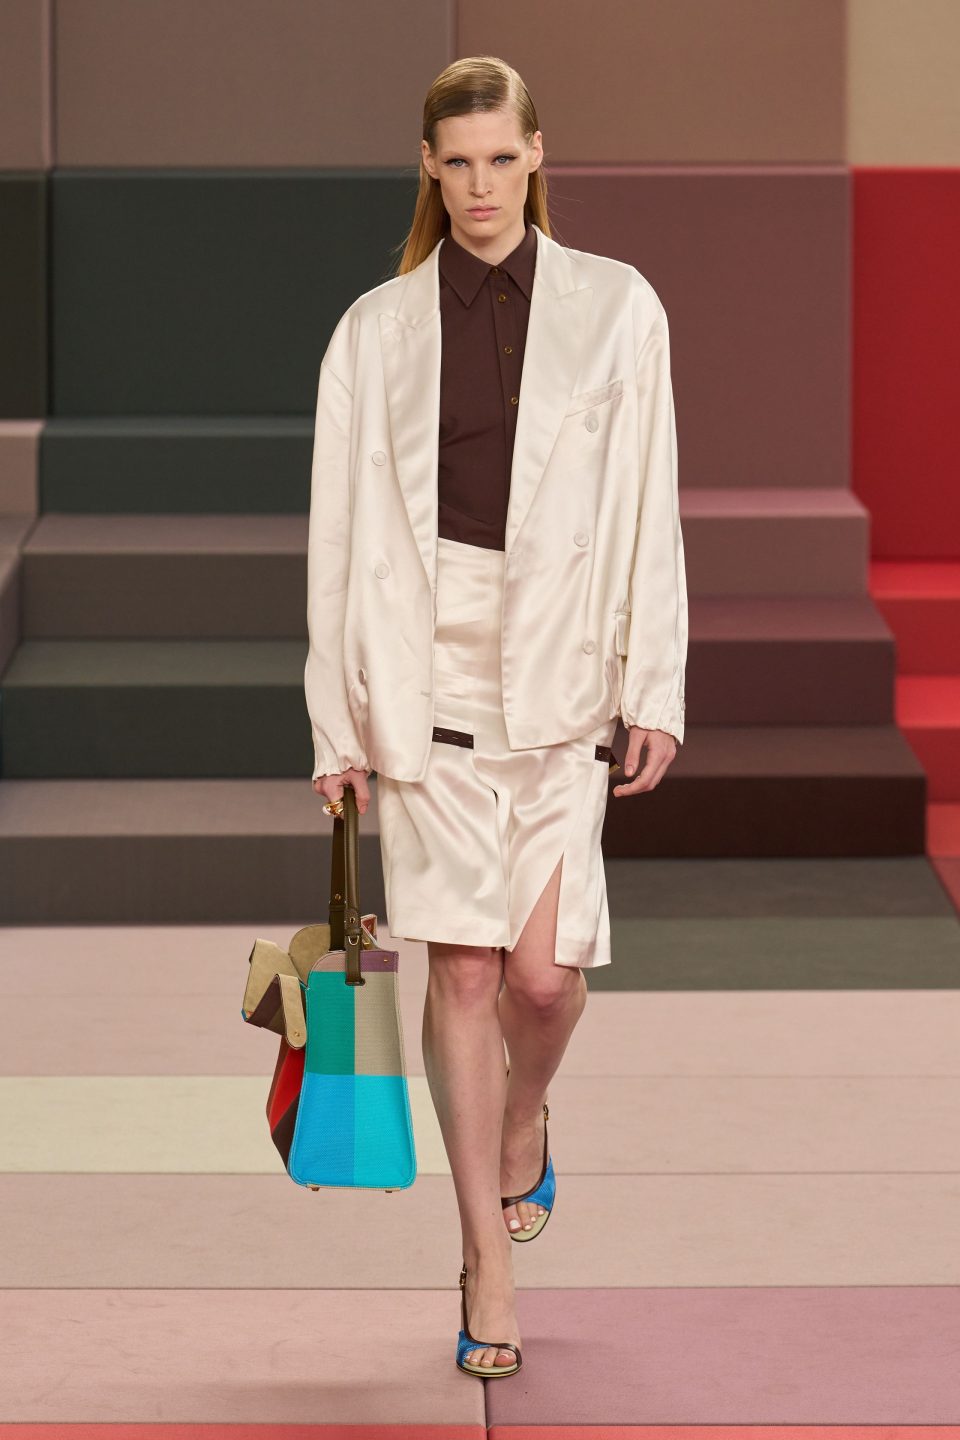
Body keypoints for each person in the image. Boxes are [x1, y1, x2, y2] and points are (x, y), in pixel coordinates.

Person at [306, 56, 687, 1378]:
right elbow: (338, 533)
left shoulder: (619, 309)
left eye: (501, 159)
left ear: (537, 154)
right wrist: (335, 721)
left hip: (565, 666)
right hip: (426, 678)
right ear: (430, 166)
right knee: (462, 972)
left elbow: (649, 501)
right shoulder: (374, 331)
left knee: (545, 979)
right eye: (457, 162)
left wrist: (655, 684)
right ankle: (486, 1258)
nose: (481, 186)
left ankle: (527, 1116)